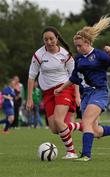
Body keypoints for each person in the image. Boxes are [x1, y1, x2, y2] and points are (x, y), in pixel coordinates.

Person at [54, 14, 110, 161]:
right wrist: (61, 89)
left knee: (86, 122)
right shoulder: (79, 58)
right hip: (86, 95)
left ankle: (86, 155)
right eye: (76, 46)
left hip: (99, 92)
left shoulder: (99, 55)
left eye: (80, 45)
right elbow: (74, 78)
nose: (78, 48)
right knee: (94, 131)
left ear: (87, 42)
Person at [26, 26, 82, 159]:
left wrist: (78, 95)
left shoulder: (66, 55)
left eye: (51, 38)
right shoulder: (38, 55)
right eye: (46, 39)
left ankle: (71, 152)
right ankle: (80, 125)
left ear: (57, 38)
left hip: (64, 88)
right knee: (54, 129)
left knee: (58, 120)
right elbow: (31, 77)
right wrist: (29, 98)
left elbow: (75, 76)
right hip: (48, 93)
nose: (49, 42)